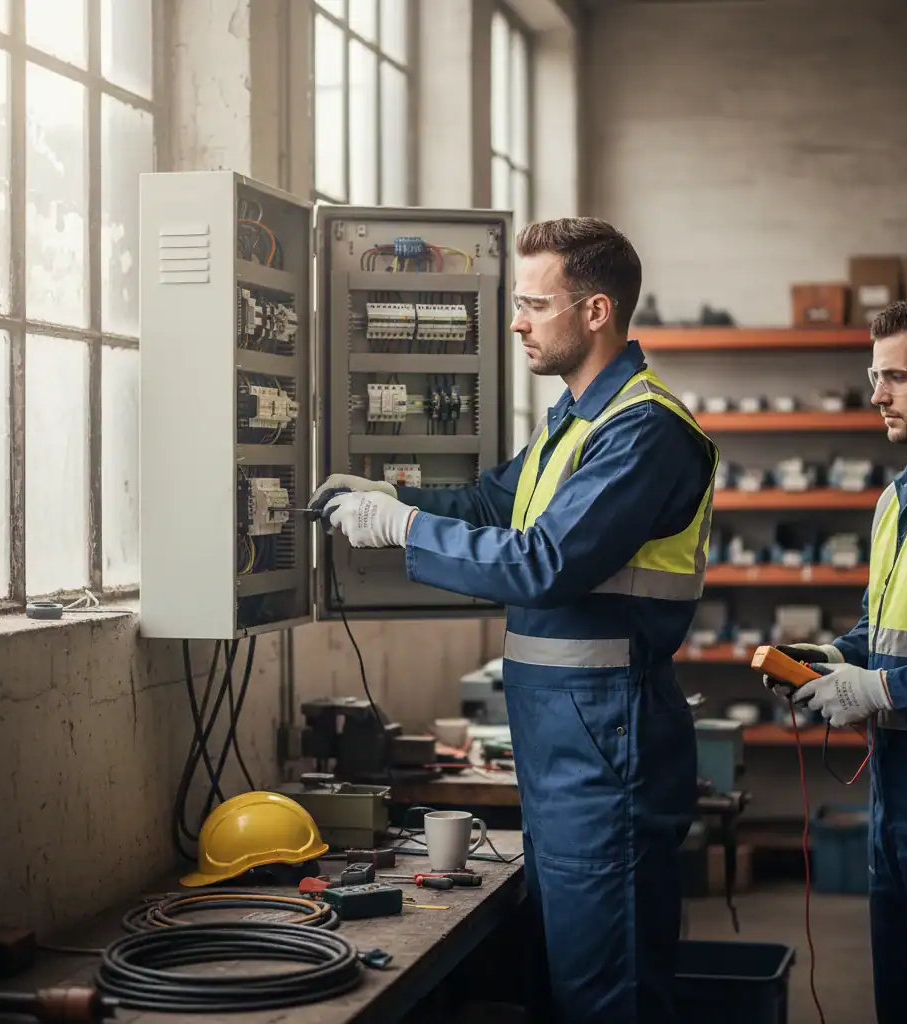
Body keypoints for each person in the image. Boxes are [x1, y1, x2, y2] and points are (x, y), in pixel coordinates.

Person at [312, 217, 718, 1023]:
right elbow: (491, 502)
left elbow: (543, 562)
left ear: (596, 312)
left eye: (534, 303)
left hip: (609, 748)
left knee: (611, 994)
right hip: (565, 744)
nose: (516, 321)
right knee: (569, 980)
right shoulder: (576, 419)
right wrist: (393, 496)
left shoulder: (644, 431)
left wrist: (398, 531)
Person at [766, 295, 907, 1024]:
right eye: (875, 375)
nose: (876, 395)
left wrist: (881, 692)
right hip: (897, 786)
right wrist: (830, 658)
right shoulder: (900, 496)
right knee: (900, 989)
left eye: (896, 376)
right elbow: (884, 628)